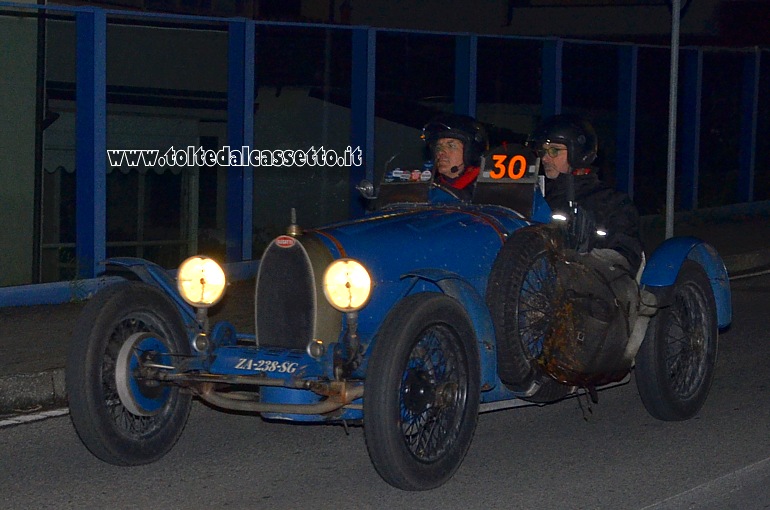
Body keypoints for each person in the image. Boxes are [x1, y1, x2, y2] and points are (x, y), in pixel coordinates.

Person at [528, 114, 643, 273]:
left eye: (554, 151)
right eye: (542, 151)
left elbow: (625, 257)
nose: (545, 158)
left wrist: (582, 264)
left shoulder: (612, 202)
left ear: (578, 152)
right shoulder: (539, 197)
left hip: (589, 291)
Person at [421, 114, 488, 200]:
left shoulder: (485, 189)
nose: (441, 152)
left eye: (451, 146)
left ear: (472, 152)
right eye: (438, 147)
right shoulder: (428, 186)